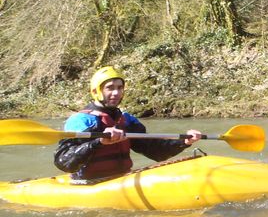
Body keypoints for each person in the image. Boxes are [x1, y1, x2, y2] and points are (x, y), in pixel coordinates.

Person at [54, 66, 202, 181]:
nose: (116, 93)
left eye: (119, 88)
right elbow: (64, 163)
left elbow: (155, 151)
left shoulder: (126, 119)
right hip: (88, 183)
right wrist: (99, 142)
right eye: (110, 88)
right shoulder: (80, 121)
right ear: (96, 91)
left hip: (120, 179)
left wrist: (184, 142)